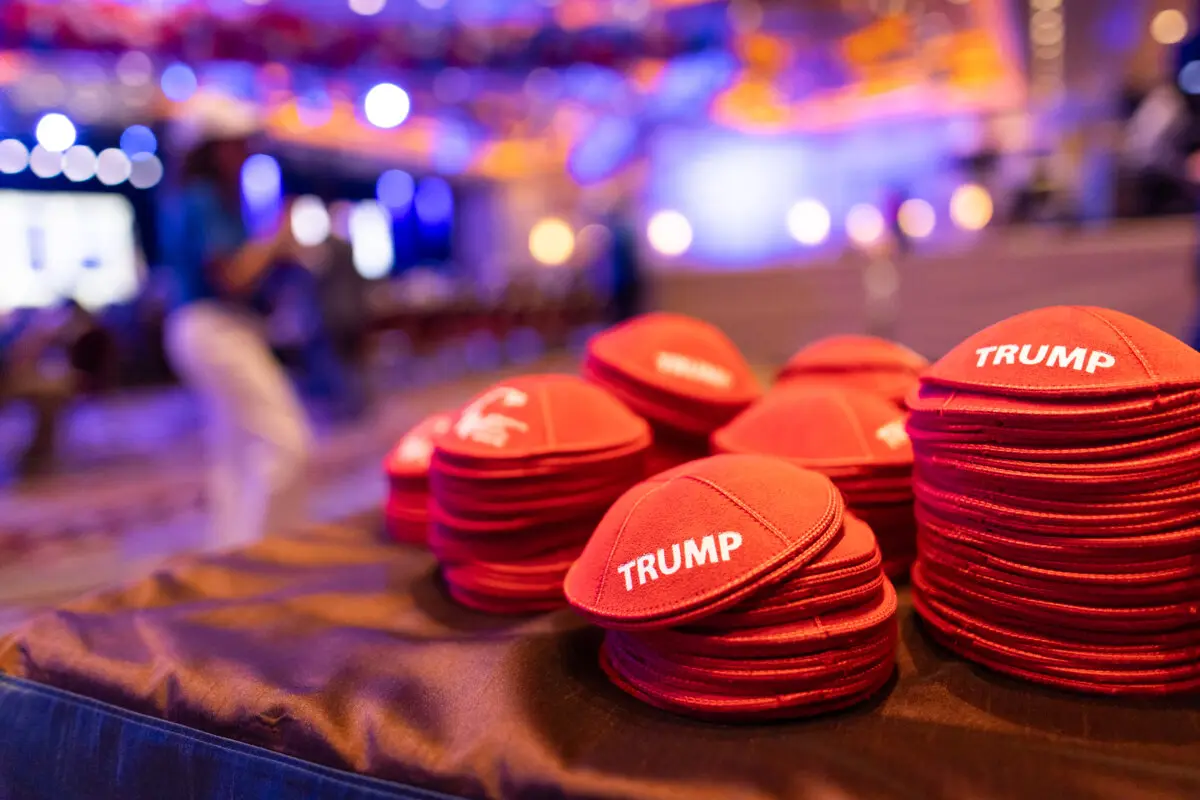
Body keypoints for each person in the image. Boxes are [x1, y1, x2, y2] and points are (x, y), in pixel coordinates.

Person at [158, 94, 311, 551]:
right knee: (287, 444)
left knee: (235, 454)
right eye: (236, 143)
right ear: (212, 148)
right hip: (213, 327)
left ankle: (229, 554)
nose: (245, 153)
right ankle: (263, 556)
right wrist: (277, 239)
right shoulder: (202, 199)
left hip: (206, 327)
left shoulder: (204, 199)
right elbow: (233, 277)